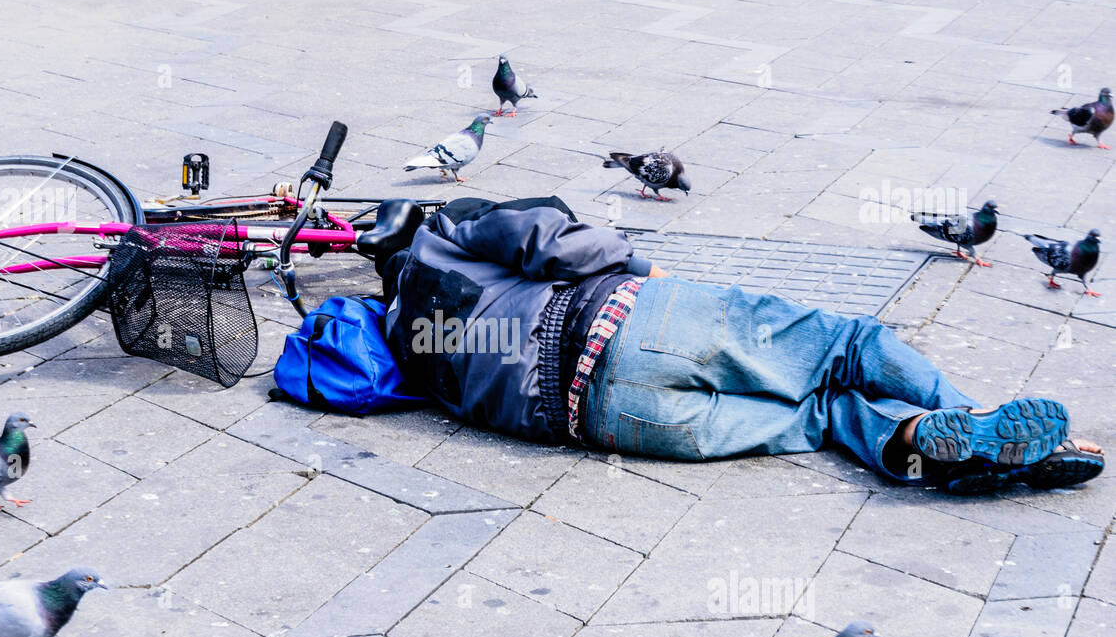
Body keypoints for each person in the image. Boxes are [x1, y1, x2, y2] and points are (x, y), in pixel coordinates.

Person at [382, 196, 1104, 494]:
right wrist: (638, 264)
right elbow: (552, 240)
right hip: (631, 320)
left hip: (606, 422)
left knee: (821, 416)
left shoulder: (407, 344)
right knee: (844, 347)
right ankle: (976, 424)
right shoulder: (444, 237)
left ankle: (922, 442)